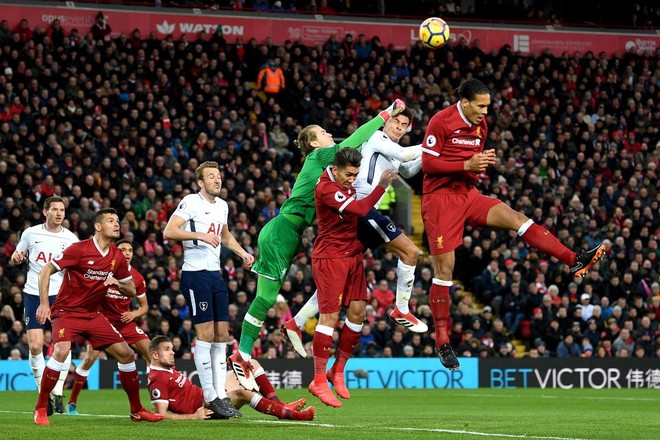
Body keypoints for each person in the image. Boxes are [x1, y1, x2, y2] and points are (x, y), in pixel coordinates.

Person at [420, 78, 606, 371]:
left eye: (488, 106)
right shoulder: (441, 121)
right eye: (480, 106)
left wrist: (477, 165)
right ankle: (442, 341)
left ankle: (574, 259)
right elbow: (428, 165)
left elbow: (472, 161)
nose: (485, 111)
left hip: (468, 195)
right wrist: (466, 165)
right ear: (465, 102)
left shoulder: (481, 126)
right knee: (445, 271)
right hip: (440, 200)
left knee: (517, 219)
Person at [230, 99, 407, 390]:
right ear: (315, 145)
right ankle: (243, 354)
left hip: (286, 233)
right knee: (265, 299)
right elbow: (355, 139)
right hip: (282, 231)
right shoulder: (317, 158)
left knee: (267, 298)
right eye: (324, 132)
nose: (329, 135)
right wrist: (385, 114)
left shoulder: (326, 172)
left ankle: (246, 353)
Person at [282, 108, 427, 358]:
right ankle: (401, 308)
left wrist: (431, 154)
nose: (399, 128)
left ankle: (295, 323)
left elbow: (409, 169)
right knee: (411, 252)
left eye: (404, 125)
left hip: (359, 214)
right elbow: (406, 153)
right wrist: (435, 142)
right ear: (387, 122)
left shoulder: (390, 152)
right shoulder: (377, 139)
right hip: (362, 210)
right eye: (396, 122)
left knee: (334, 287)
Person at [33, 208, 162, 425]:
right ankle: (41, 408)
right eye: (111, 220)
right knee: (62, 350)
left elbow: (131, 289)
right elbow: (45, 270)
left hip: (93, 315)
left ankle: (136, 409)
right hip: (67, 312)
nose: (116, 223)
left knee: (126, 355)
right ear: (98, 226)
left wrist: (119, 284)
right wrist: (45, 304)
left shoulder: (117, 256)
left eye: (118, 220)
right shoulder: (79, 249)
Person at [163, 161, 255, 419]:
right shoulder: (191, 202)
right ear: (200, 182)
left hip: (215, 275)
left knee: (221, 335)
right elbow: (169, 231)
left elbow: (225, 236)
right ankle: (210, 394)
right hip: (195, 274)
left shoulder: (223, 206)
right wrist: (202, 236)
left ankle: (220, 394)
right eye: (211, 176)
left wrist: (241, 253)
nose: (217, 180)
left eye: (218, 176)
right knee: (204, 334)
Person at [308, 148, 398, 407]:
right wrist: (381, 186)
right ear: (335, 169)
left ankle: (337, 370)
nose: (351, 179)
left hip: (353, 255)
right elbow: (359, 209)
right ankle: (317, 380)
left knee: (358, 312)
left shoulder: (341, 179)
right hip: (331, 258)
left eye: (355, 174)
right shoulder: (326, 188)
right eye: (348, 174)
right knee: (329, 317)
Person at [9, 196, 78, 414]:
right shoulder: (30, 233)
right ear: (45, 211)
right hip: (34, 294)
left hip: (62, 297)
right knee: (36, 346)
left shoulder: (71, 239)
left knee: (63, 346)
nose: (59, 213)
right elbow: (15, 256)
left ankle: (57, 392)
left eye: (62, 210)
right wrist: (16, 257)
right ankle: (43, 393)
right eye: (55, 209)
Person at [65, 239, 150, 416]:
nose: (126, 253)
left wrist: (134, 314)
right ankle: (72, 402)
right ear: (115, 252)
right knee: (89, 358)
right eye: (122, 250)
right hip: (103, 322)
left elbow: (144, 307)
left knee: (152, 352)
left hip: (124, 321)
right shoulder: (102, 271)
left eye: (129, 250)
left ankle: (159, 399)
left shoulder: (137, 278)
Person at [148, 336, 314, 421]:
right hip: (207, 409)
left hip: (209, 397)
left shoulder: (167, 368)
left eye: (171, 348)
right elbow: (160, 414)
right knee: (243, 393)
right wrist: (193, 417)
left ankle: (281, 407)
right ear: (155, 354)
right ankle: (292, 415)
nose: (172, 352)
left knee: (251, 364)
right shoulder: (158, 379)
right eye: (167, 349)